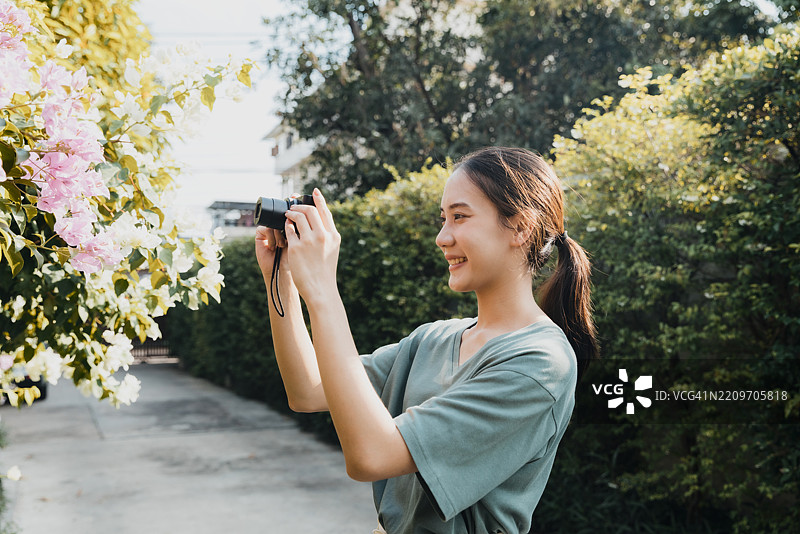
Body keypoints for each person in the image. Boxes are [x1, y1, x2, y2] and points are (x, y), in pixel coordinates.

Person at [254, 146, 598, 534]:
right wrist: (278, 275)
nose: (442, 237)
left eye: (460, 217)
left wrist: (322, 291)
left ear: (521, 228)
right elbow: (308, 390)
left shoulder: (539, 364)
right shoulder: (434, 338)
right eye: (443, 218)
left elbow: (371, 456)